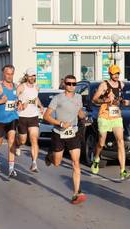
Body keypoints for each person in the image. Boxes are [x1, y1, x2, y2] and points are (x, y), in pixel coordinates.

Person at [43, 75, 87, 204]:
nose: (72, 86)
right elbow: (46, 116)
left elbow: (79, 111)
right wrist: (60, 124)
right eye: (69, 83)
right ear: (64, 84)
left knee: (76, 162)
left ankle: (76, 192)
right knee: (57, 163)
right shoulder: (58, 98)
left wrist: (84, 118)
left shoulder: (79, 97)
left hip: (73, 133)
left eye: (74, 84)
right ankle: (50, 156)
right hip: (59, 133)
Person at [90, 65, 130, 181]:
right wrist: (105, 100)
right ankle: (96, 159)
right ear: (110, 74)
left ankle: (123, 171)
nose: (116, 75)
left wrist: (124, 101)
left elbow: (119, 99)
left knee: (120, 141)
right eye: (114, 74)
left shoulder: (121, 85)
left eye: (118, 73)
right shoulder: (104, 85)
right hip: (104, 116)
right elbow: (94, 99)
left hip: (116, 116)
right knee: (101, 143)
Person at [16, 67, 44, 172]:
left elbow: (36, 98)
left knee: (34, 139)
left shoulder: (37, 87)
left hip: (33, 116)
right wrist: (19, 103)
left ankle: (34, 163)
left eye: (34, 75)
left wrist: (41, 106)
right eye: (31, 76)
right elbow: (15, 98)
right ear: (26, 76)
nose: (33, 77)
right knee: (23, 140)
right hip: (22, 116)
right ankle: (17, 145)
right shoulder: (21, 87)